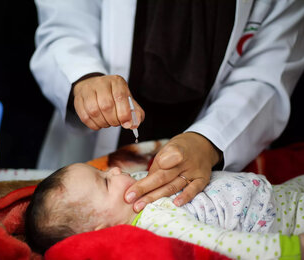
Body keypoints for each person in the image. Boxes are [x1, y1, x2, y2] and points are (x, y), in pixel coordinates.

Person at [30, 0, 304, 212]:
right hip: (93, 142)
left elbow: (267, 74)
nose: (114, 170)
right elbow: (63, 27)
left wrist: (209, 141)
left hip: (223, 146)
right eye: (103, 180)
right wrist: (84, 78)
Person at [25, 163, 304, 259]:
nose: (115, 170)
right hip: (286, 221)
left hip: (278, 194)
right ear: (103, 229)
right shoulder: (158, 223)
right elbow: (221, 245)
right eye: (106, 180)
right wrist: (290, 249)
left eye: (102, 170)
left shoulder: (134, 195)